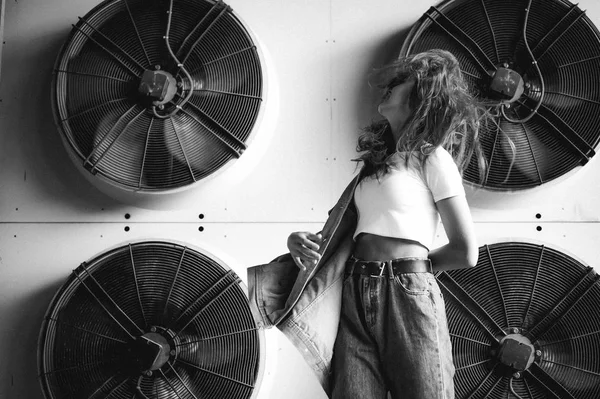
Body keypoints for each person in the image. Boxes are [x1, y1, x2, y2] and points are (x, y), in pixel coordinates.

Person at [286, 49, 488, 399]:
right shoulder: (373, 169)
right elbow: (337, 238)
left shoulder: (433, 158)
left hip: (406, 290)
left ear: (421, 96)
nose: (389, 88)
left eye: (399, 82)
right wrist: (296, 240)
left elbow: (466, 252)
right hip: (353, 288)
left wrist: (408, 272)